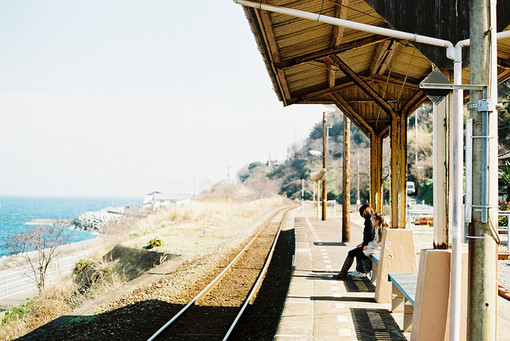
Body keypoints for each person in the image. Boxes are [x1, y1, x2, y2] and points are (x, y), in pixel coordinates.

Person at [334, 203, 375, 280]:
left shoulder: (369, 222)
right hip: (368, 245)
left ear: (365, 212)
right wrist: (363, 244)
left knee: (352, 252)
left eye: (362, 213)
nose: (362, 215)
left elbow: (370, 236)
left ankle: (345, 273)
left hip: (369, 246)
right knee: (355, 251)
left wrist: (364, 245)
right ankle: (356, 271)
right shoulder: (370, 220)